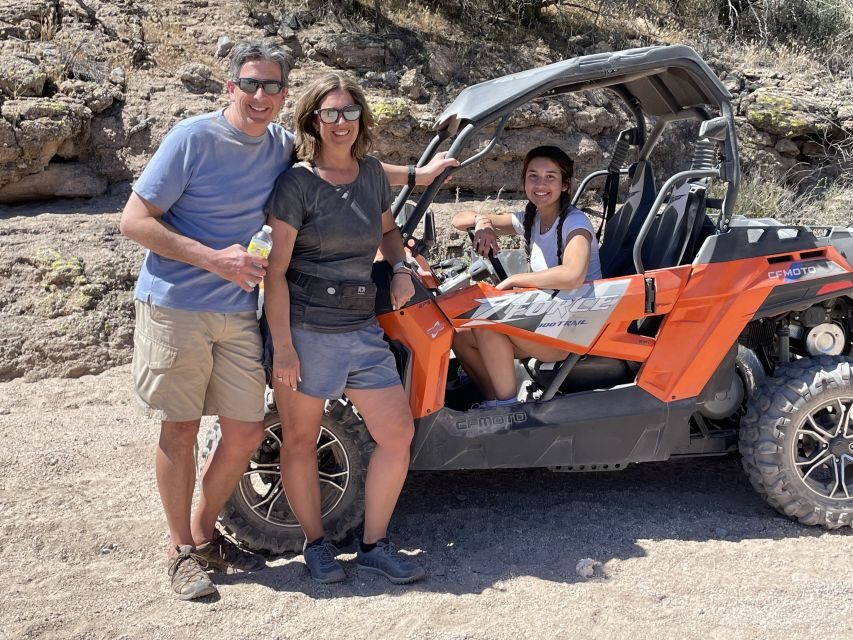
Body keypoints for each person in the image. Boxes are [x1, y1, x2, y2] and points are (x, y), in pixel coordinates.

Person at [120, 41, 454, 600]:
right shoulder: (193, 139)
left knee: (249, 430)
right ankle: (184, 551)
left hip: (239, 310)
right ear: (230, 86)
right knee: (180, 430)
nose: (259, 96)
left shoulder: (279, 145)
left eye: (272, 86)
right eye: (250, 84)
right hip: (178, 300)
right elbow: (134, 220)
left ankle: (206, 536)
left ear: (283, 98)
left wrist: (419, 179)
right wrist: (216, 261)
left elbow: (355, 170)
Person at [263, 71, 426, 585]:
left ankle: (374, 545)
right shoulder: (298, 184)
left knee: (397, 433)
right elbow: (274, 270)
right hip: (308, 328)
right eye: (330, 113)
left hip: (361, 327)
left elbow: (388, 231)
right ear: (313, 118)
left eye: (349, 112)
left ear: (362, 118)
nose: (341, 122)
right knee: (300, 440)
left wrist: (400, 268)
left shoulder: (372, 173)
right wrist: (284, 347)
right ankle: (315, 546)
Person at [450, 145, 603, 407]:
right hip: (548, 319)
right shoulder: (531, 219)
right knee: (459, 334)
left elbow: (573, 275)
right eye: (533, 176)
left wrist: (515, 280)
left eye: (550, 177)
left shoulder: (575, 223)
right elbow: (458, 219)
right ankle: (493, 402)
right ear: (524, 182)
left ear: (565, 185)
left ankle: (508, 409)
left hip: (574, 326)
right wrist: (482, 222)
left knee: (488, 324)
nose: (540, 184)